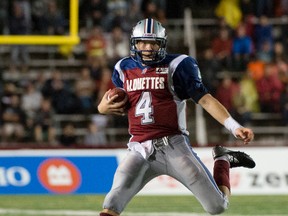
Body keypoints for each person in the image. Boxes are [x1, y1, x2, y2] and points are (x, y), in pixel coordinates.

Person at [97, 18, 256, 216]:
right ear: (134, 43)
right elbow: (112, 103)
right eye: (142, 42)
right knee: (111, 203)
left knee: (217, 207)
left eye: (153, 42)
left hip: (173, 145)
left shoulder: (178, 65)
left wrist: (234, 126)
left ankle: (222, 159)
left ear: (161, 44)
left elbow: (205, 99)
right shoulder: (123, 67)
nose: (147, 47)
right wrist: (102, 107)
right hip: (139, 148)